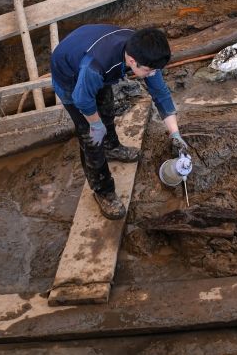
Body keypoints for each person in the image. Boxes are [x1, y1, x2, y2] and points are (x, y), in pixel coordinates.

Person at [51, 24, 188, 220]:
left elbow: (161, 94)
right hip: (68, 75)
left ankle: (111, 147)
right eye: (149, 70)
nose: (152, 74)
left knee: (106, 108)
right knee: (91, 138)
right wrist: (95, 125)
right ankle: (103, 191)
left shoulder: (141, 49)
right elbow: (81, 99)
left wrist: (175, 134)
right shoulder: (95, 67)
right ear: (132, 61)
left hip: (90, 58)